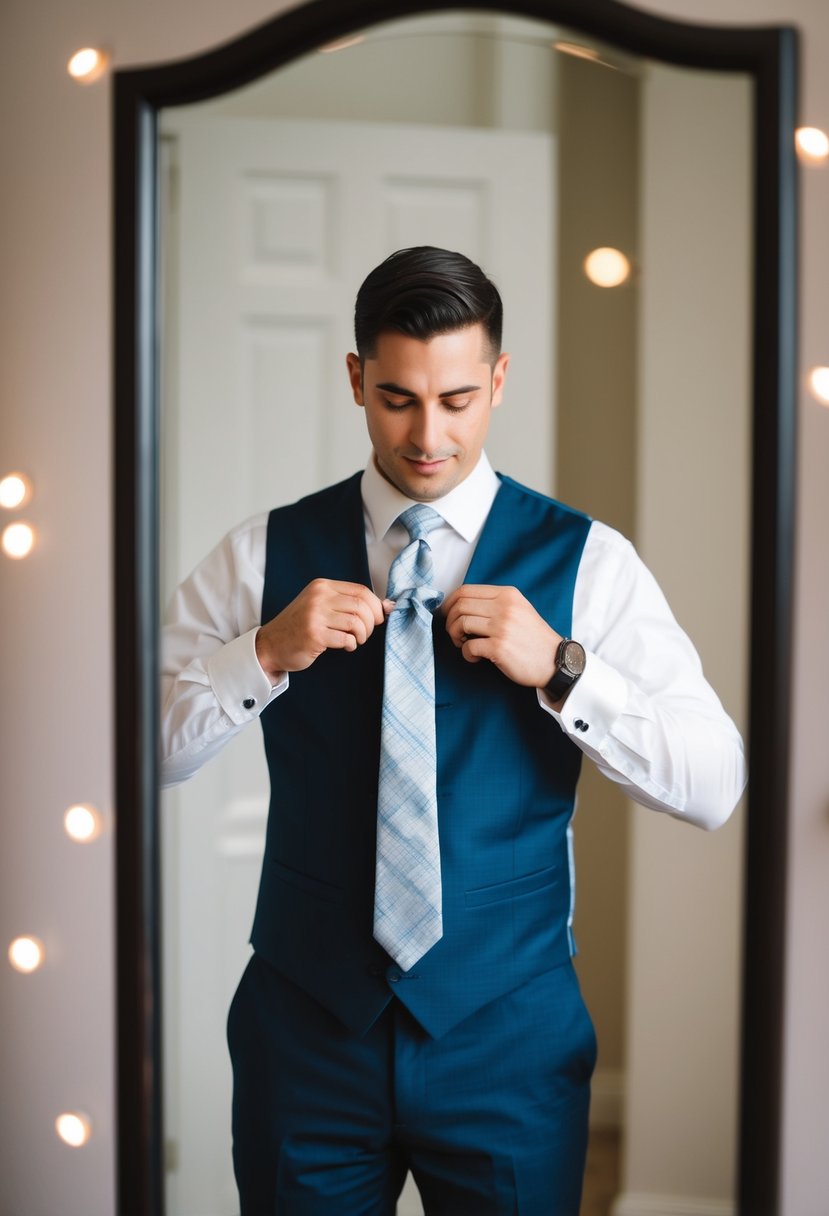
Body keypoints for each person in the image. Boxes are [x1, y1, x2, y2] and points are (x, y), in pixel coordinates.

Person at [162, 246, 746, 1215]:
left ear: (500, 380)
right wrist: (261, 653)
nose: (428, 434)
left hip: (509, 1043)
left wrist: (564, 668)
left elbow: (714, 783)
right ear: (355, 378)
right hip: (306, 1042)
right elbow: (125, 755)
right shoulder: (261, 554)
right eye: (396, 398)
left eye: (458, 399)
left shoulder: (589, 563)